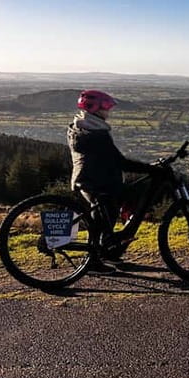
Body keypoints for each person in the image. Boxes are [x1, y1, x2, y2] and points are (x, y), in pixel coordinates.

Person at [67, 89, 164, 273]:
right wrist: (151, 168)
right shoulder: (97, 133)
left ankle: (106, 253)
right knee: (104, 219)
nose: (108, 112)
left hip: (91, 179)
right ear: (96, 108)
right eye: (106, 107)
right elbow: (120, 162)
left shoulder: (81, 125)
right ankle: (94, 261)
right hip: (96, 182)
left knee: (106, 218)